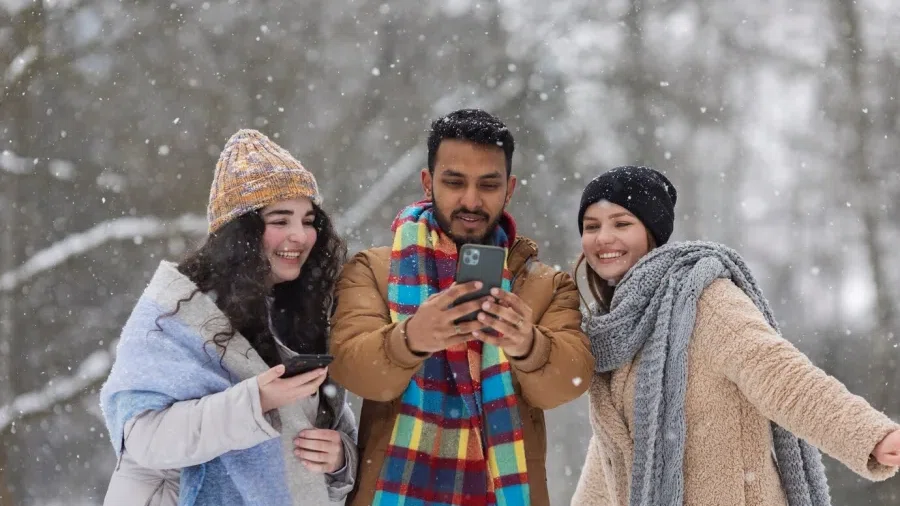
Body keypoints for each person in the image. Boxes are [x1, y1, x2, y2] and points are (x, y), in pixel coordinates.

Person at [570, 165, 900, 506]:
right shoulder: (613, 329)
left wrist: (869, 435)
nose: (603, 237)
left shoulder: (704, 300)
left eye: (621, 223)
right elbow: (614, 452)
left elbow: (780, 374)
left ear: (651, 231)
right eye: (591, 226)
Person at [328, 108, 594, 506]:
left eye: (488, 185)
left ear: (509, 189)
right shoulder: (375, 270)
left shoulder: (545, 287)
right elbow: (353, 370)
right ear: (427, 182)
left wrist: (528, 345)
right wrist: (411, 339)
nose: (471, 200)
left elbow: (570, 382)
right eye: (454, 182)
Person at [99, 129, 358, 506]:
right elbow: (145, 440)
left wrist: (339, 459)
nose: (300, 236)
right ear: (241, 232)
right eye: (280, 220)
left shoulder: (302, 315)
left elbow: (334, 425)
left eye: (308, 220)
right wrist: (255, 402)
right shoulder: (173, 313)